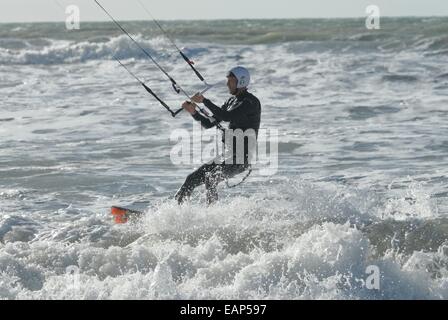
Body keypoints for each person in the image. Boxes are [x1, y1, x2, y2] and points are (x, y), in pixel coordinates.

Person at [174, 66, 261, 204]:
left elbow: (227, 116)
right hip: (228, 155)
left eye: (231, 81)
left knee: (211, 178)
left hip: (241, 158)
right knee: (191, 179)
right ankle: (176, 211)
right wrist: (194, 112)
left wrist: (204, 101)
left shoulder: (250, 102)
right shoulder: (231, 101)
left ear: (241, 82)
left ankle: (211, 212)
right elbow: (210, 123)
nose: (227, 84)